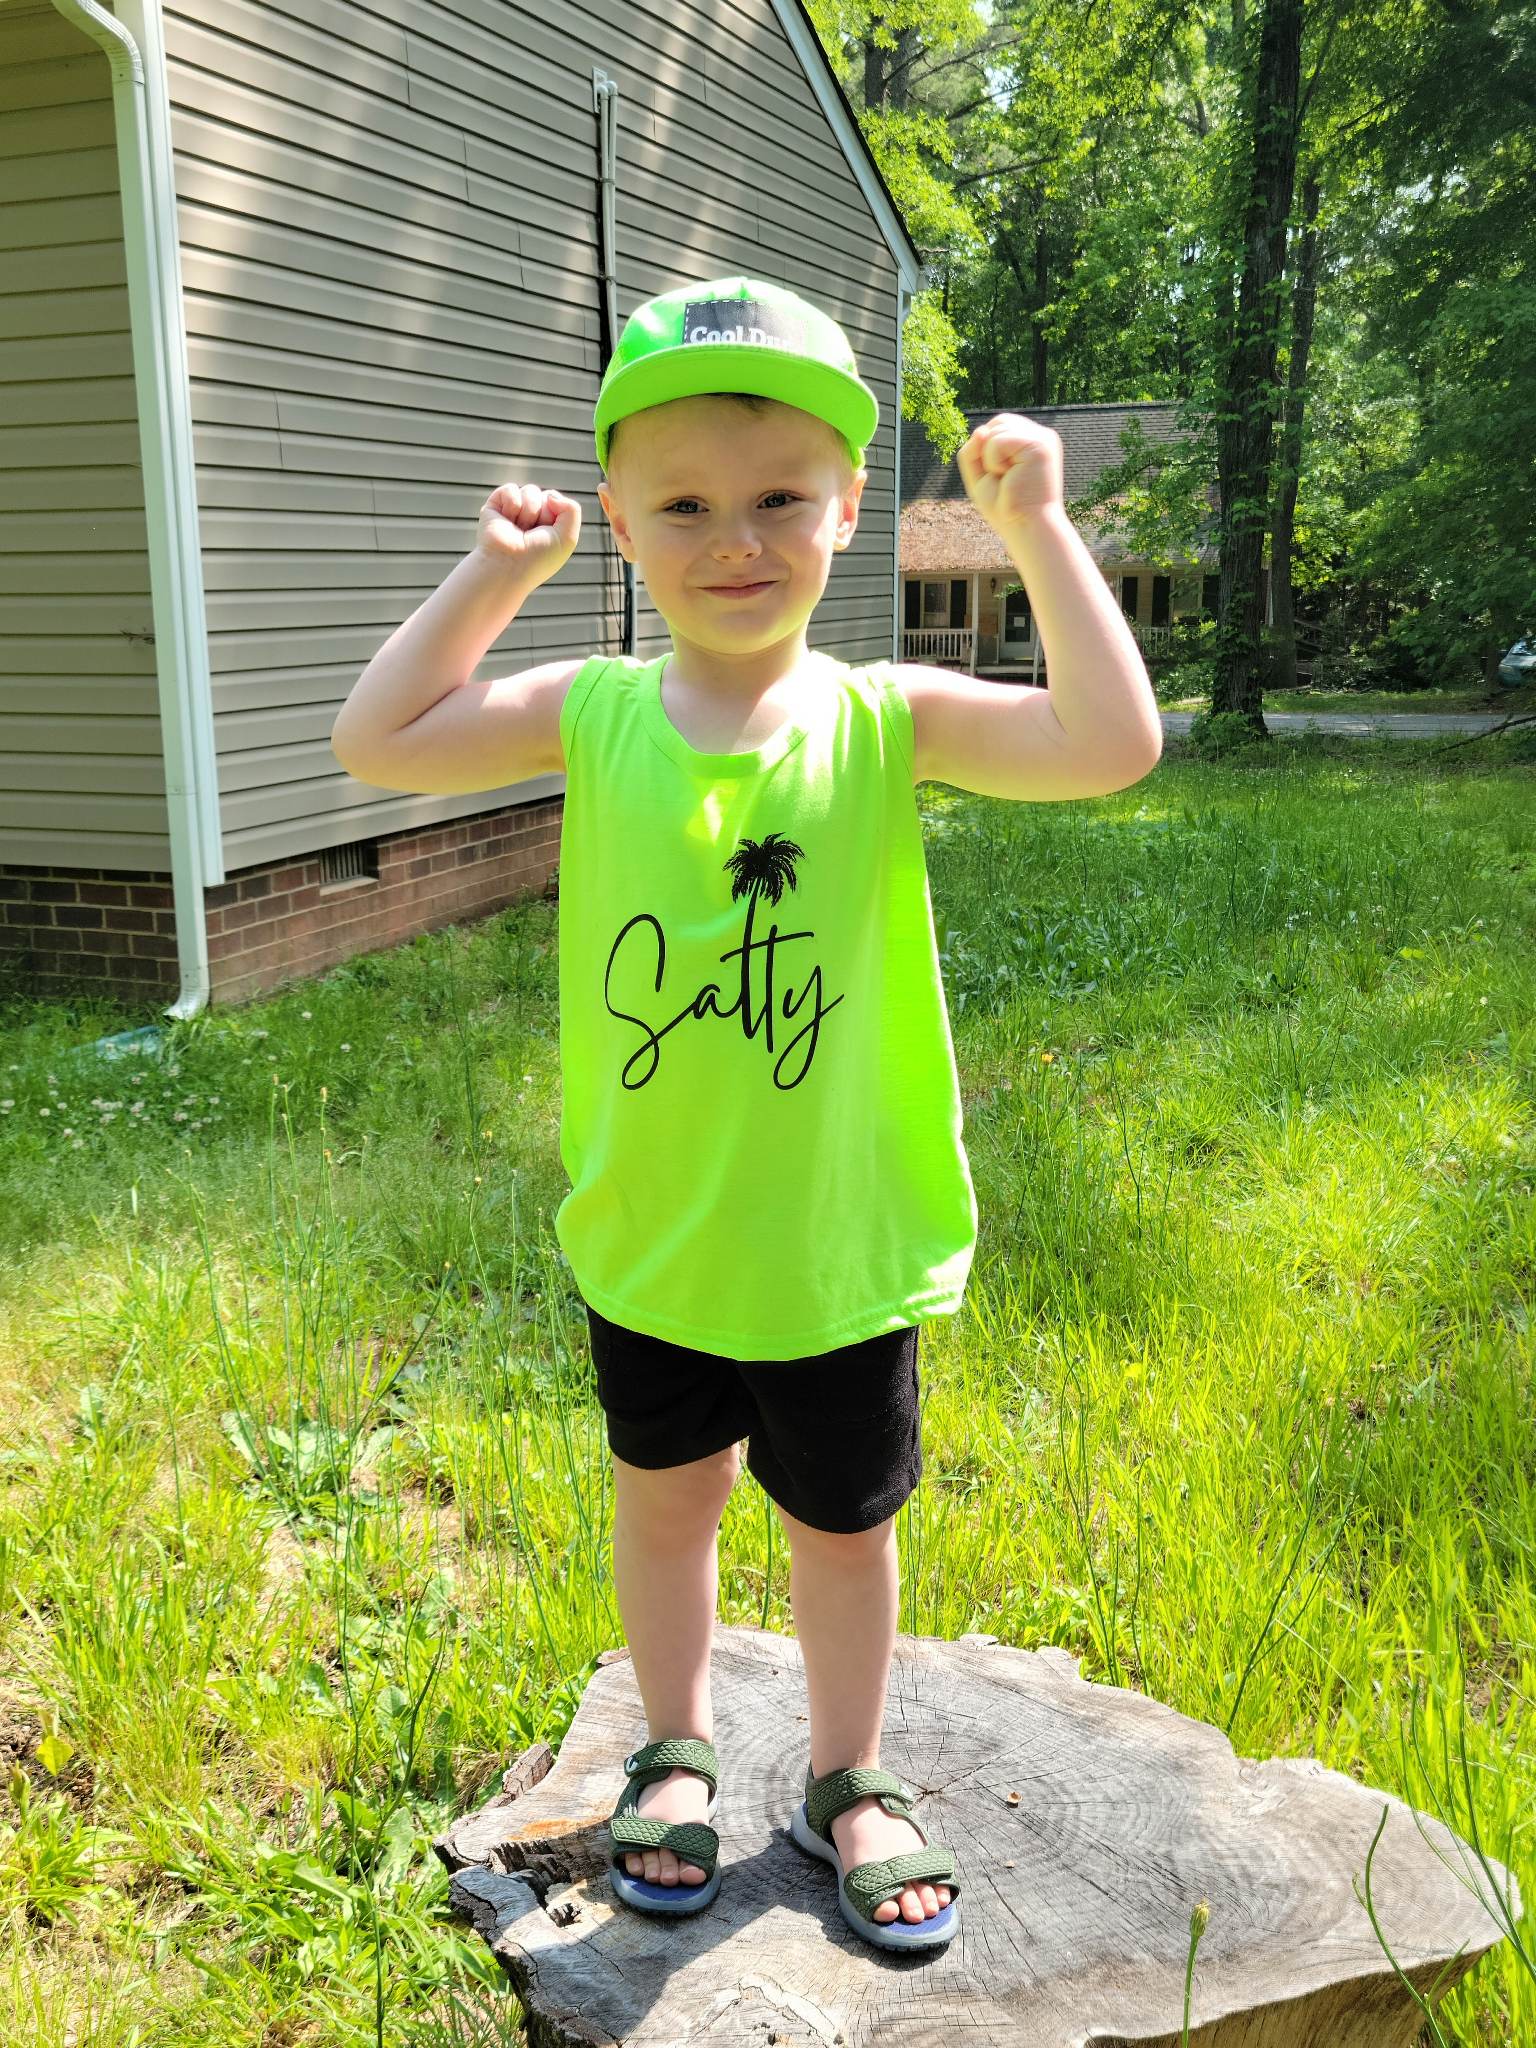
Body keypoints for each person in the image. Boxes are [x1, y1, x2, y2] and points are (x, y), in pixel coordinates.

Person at [331, 275, 1161, 1954]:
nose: (737, 539)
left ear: (853, 509)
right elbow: (378, 740)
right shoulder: (597, 714)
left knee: (842, 1540)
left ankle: (849, 1777)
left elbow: (1110, 740)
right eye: (688, 504)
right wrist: (495, 575)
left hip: (837, 1250)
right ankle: (679, 1750)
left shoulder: (883, 716)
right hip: (656, 1240)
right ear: (624, 523)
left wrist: (1040, 530)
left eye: (782, 496)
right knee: (666, 1503)